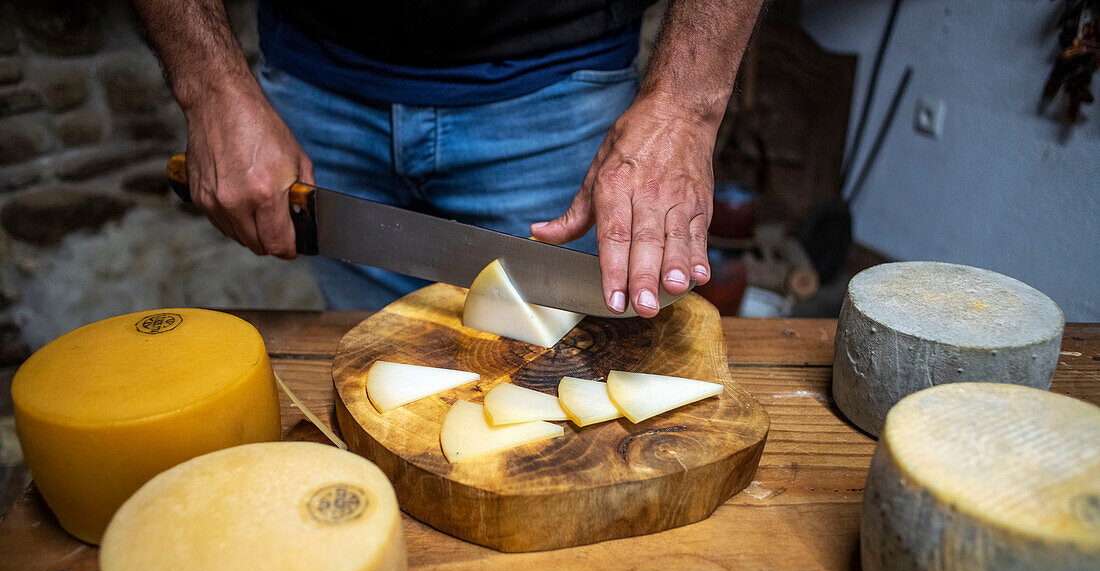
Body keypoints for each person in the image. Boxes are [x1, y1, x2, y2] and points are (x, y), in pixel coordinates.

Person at [133, 0, 763, 316]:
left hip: (560, 91)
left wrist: (684, 106)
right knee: (373, 393)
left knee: (558, 386)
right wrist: (211, 88)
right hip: (313, 85)